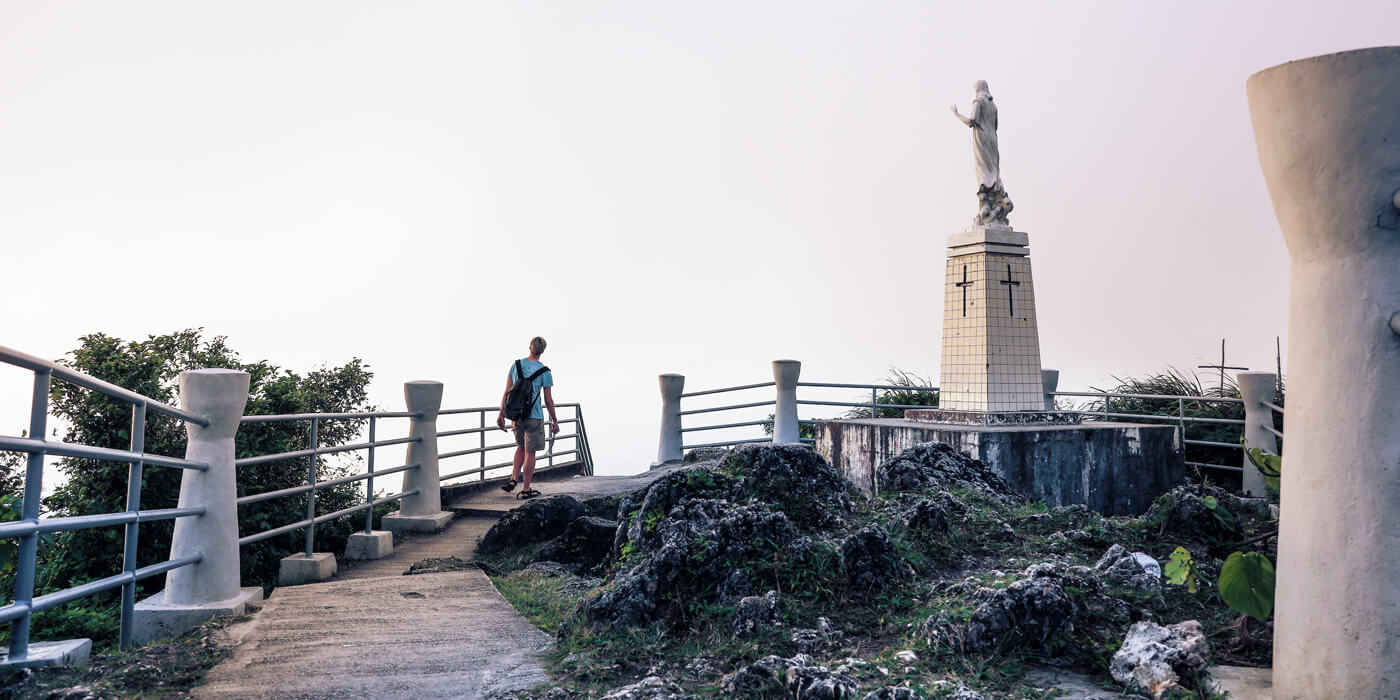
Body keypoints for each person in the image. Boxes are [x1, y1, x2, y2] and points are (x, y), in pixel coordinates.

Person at [496, 336, 559, 499]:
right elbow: (548, 400)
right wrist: (554, 420)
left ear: (530, 347)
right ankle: (526, 489)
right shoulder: (545, 372)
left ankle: (512, 479)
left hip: (516, 416)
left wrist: (501, 413)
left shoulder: (516, 365)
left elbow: (507, 391)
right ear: (543, 350)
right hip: (534, 416)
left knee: (520, 447)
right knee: (530, 452)